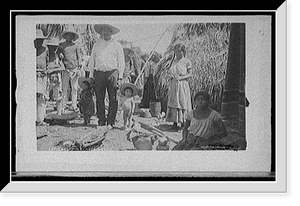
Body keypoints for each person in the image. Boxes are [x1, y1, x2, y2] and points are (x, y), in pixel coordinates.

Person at [88, 24, 125, 128]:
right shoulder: (96, 45)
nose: (106, 33)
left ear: (111, 32)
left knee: (113, 98)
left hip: (112, 73)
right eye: (104, 31)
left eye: (108, 31)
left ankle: (111, 121)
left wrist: (120, 77)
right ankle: (101, 120)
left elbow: (121, 62)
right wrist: (91, 75)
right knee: (100, 98)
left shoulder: (116, 45)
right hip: (99, 73)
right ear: (101, 32)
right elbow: (92, 60)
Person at [166, 43, 192, 131]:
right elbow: (170, 72)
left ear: (183, 51)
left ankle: (183, 124)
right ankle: (175, 123)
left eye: (179, 51)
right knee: (174, 102)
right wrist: (171, 76)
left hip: (182, 85)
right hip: (174, 84)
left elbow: (190, 74)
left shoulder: (187, 61)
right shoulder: (174, 61)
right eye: (176, 51)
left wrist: (180, 77)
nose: (177, 53)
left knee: (182, 103)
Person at [57, 28, 81, 112]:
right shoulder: (61, 45)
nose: (69, 36)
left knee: (74, 88)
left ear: (73, 37)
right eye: (68, 35)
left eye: (71, 35)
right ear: (65, 36)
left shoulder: (75, 46)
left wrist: (79, 67)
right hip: (65, 68)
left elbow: (79, 57)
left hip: (74, 68)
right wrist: (60, 57)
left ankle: (74, 104)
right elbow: (58, 56)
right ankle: (63, 104)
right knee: (64, 87)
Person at [35, 29, 49, 126]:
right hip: (34, 75)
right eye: (38, 40)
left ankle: (40, 119)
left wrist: (45, 71)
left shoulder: (45, 49)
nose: (40, 42)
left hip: (43, 75)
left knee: (42, 97)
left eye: (41, 40)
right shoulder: (31, 49)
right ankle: (33, 118)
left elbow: (47, 62)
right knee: (34, 96)